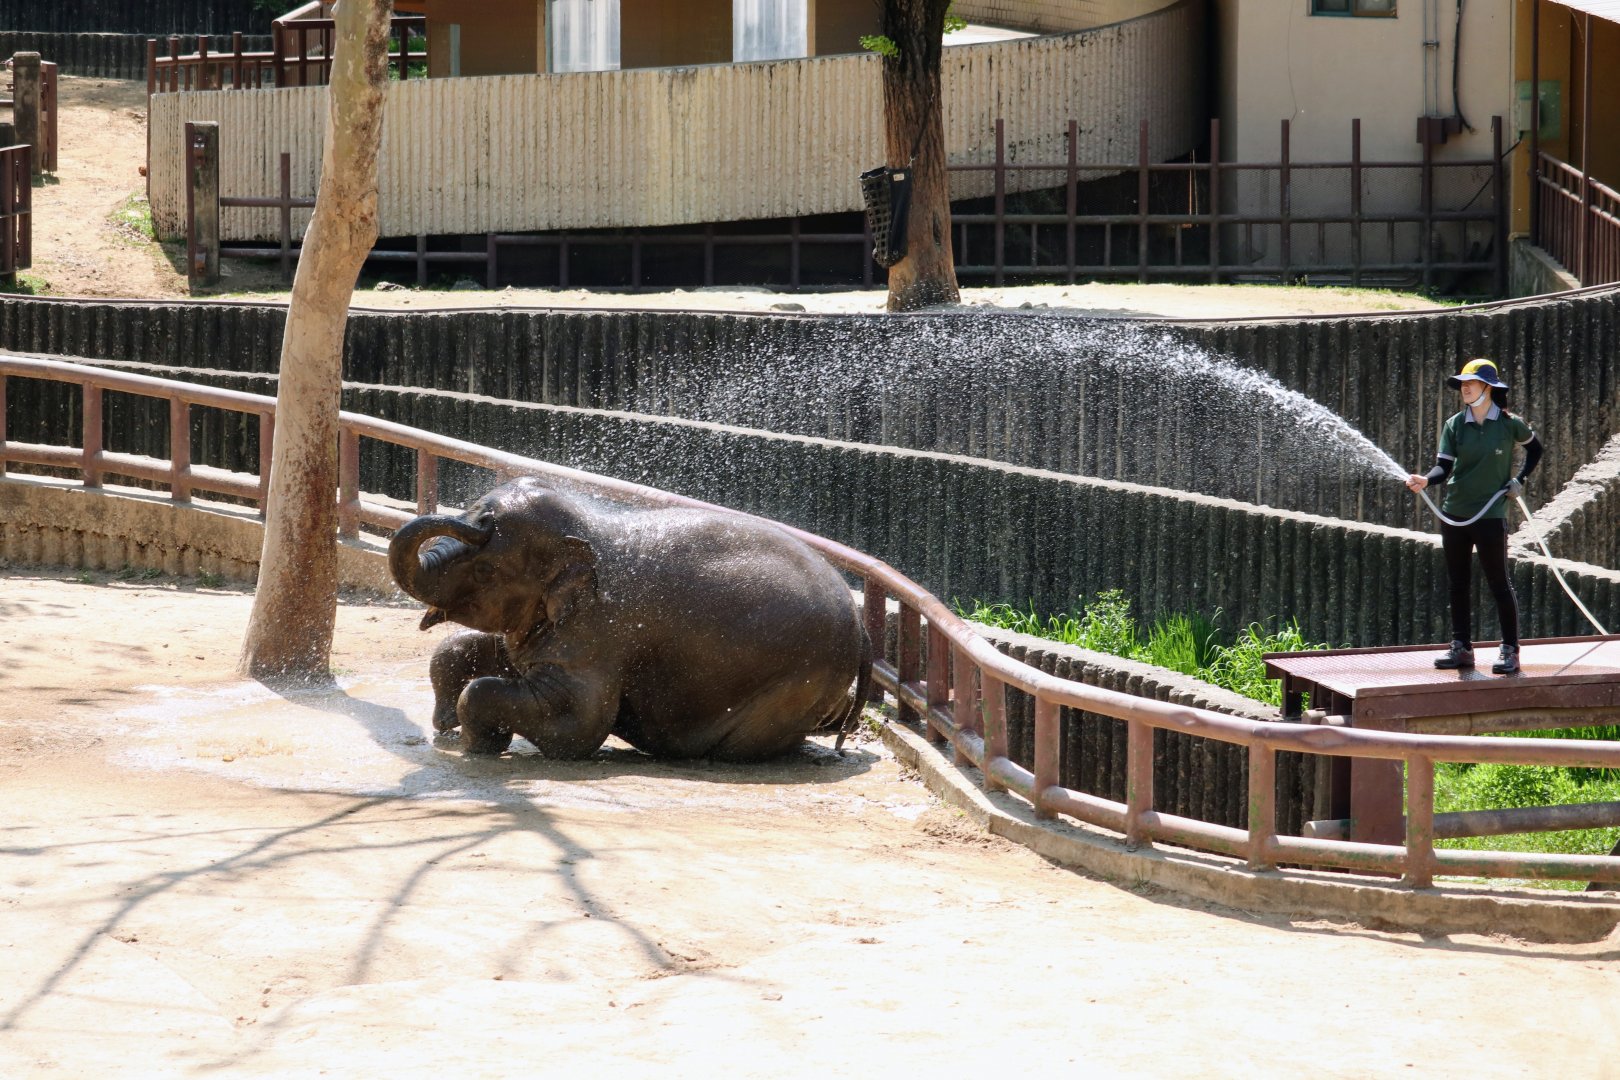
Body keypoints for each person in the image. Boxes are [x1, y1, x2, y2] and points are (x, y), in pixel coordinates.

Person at [1405, 359, 1543, 674]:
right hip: (1455, 513)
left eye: (1471, 382)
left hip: (1491, 513)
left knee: (1499, 582)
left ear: (1488, 388)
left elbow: (1535, 450)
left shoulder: (1509, 424)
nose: (1464, 387)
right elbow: (1443, 467)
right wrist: (1426, 480)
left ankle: (1510, 650)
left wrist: (1519, 480)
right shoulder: (1454, 424)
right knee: (1458, 583)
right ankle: (1462, 648)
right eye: (1462, 383)